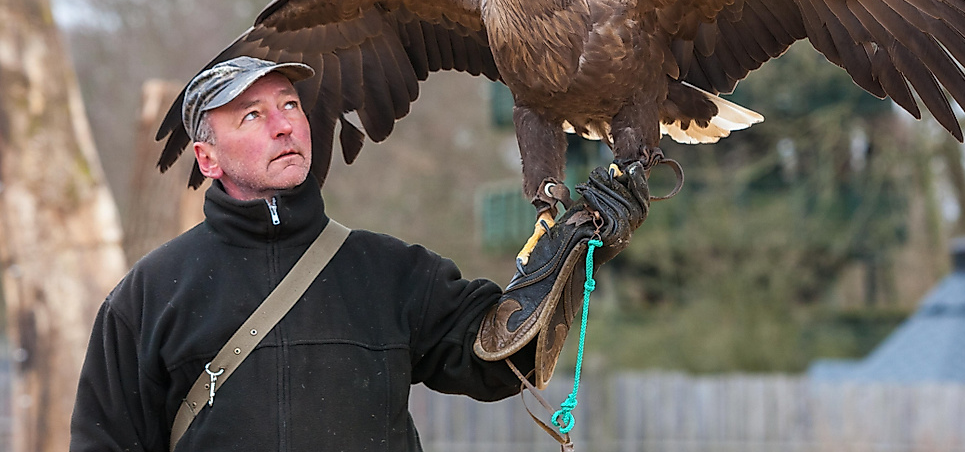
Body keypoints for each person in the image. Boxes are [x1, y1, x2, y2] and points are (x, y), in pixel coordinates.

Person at [70, 56, 649, 451]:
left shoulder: (388, 272)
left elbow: (501, 359)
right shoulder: (150, 295)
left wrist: (576, 251)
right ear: (208, 158)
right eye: (252, 115)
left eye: (289, 105)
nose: (283, 126)